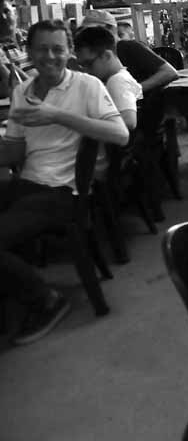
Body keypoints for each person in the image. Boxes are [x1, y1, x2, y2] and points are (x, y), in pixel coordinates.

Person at [0, 20, 129, 346]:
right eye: (42, 49)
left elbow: (120, 134)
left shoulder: (87, 86)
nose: (50, 56)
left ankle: (46, 299)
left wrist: (57, 115)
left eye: (58, 49)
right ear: (29, 53)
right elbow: (15, 151)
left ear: (69, 52)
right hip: (27, 183)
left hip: (64, 191)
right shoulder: (22, 92)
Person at [77, 10, 178, 97]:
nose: (90, 36)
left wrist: (135, 90)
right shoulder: (87, 53)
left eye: (96, 31)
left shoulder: (128, 47)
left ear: (112, 29)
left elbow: (169, 72)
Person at [74, 26, 143, 132]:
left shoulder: (117, 80)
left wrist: (80, 123)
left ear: (106, 56)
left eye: (88, 64)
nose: (86, 71)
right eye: (82, 66)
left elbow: (129, 121)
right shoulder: (120, 77)